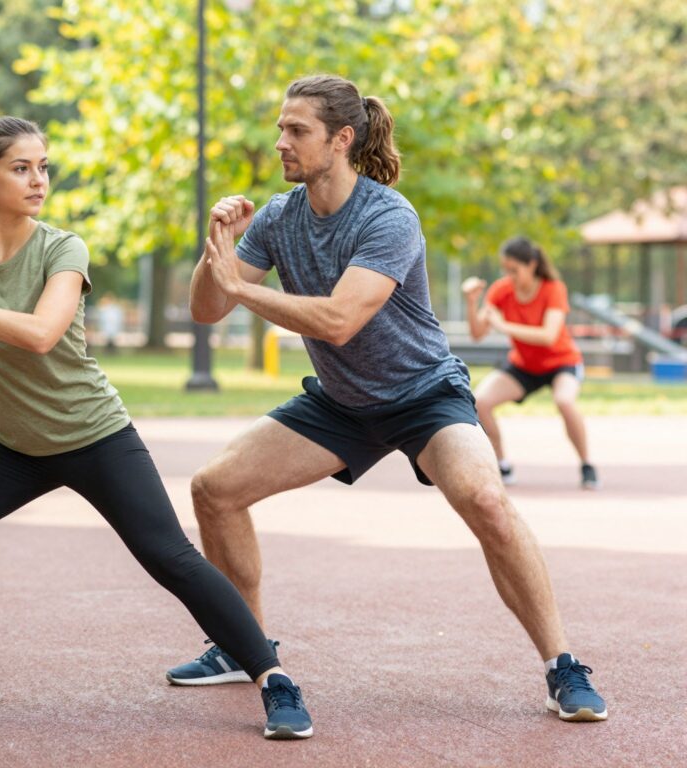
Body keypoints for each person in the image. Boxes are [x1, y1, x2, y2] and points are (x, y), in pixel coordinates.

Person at [168, 75, 607, 723]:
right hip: (341, 403)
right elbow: (207, 310)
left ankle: (562, 666)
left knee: (486, 499)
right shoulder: (279, 216)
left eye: (297, 131)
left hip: (424, 395)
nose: (280, 142)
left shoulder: (387, 216)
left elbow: (339, 320)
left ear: (341, 140)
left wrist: (242, 289)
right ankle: (242, 647)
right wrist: (221, 253)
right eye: (281, 127)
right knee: (215, 489)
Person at [0, 116, 312, 739]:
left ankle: (274, 679)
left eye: (43, 167)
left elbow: (41, 334)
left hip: (96, 436)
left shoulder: (62, 248)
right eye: (21, 168)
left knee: (170, 557)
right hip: (18, 448)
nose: (38, 180)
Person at [463, 237, 598, 490]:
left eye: (515, 270)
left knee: (565, 401)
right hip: (524, 365)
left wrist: (503, 326)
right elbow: (478, 333)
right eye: (506, 270)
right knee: (480, 401)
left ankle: (587, 465)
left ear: (532, 264)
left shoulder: (553, 288)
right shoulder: (502, 290)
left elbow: (548, 336)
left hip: (561, 362)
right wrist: (471, 303)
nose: (509, 276)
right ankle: (502, 465)